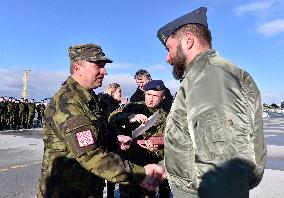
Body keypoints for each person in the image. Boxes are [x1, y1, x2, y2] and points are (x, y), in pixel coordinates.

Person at [156, 7, 267, 197]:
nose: (168, 57)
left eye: (169, 49)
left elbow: (222, 163)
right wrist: (166, 166)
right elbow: (197, 145)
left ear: (188, 40)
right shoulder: (202, 76)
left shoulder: (210, 76)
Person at [37, 43, 165, 198]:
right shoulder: (69, 103)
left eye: (103, 66)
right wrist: (141, 174)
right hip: (66, 191)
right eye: (98, 66)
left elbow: (92, 136)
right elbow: (91, 155)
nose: (104, 71)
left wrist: (114, 139)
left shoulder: (88, 99)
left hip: (85, 187)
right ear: (77, 69)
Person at [109, 80, 171, 198]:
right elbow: (112, 118)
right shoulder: (133, 107)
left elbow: (169, 146)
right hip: (131, 166)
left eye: (155, 96)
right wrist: (129, 117)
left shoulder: (166, 118)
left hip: (150, 169)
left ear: (163, 97)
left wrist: (156, 150)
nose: (151, 99)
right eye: (148, 94)